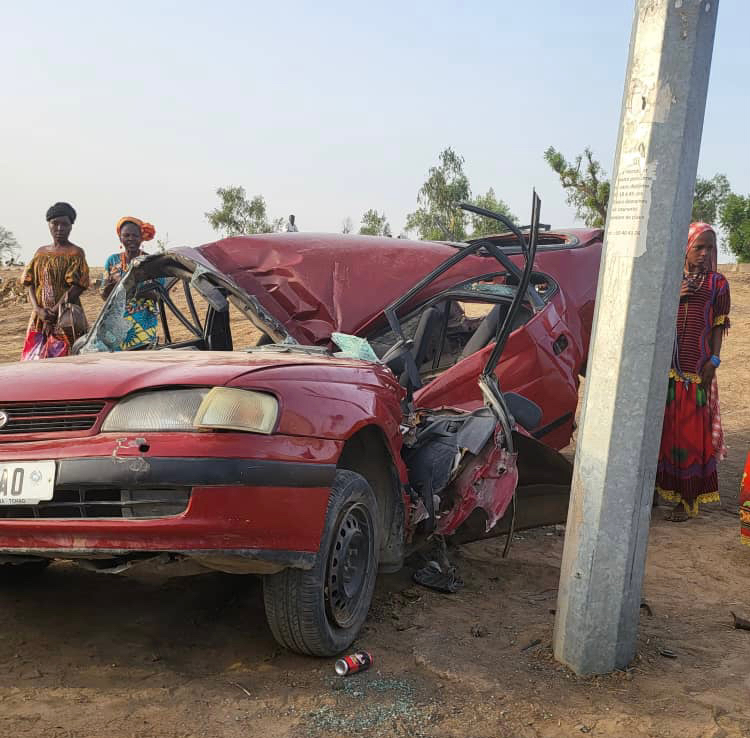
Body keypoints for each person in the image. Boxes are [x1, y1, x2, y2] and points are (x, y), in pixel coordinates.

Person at [656, 222, 730, 521]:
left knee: (687, 437)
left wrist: (714, 361)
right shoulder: (669, 279)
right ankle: (656, 492)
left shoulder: (718, 283)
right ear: (685, 248)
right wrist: (672, 295)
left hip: (695, 372)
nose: (704, 253)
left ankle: (686, 501)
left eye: (709, 248)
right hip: (662, 372)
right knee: (662, 435)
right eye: (698, 247)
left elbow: (717, 328)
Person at [21, 202, 90, 359]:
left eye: (65, 224)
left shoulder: (75, 253)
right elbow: (29, 283)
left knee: (66, 359)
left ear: (71, 226)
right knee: (35, 358)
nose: (60, 228)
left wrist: (53, 313)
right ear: (48, 224)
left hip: (66, 318)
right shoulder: (40, 253)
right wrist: (38, 310)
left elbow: (77, 287)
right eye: (55, 223)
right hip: (39, 317)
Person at [101, 216, 161, 350]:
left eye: (135, 235)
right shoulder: (112, 261)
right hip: (116, 322)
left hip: (143, 322)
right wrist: (112, 287)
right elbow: (104, 294)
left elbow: (160, 294)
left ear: (142, 237)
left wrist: (137, 289)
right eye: (126, 235)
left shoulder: (151, 262)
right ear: (120, 237)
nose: (131, 239)